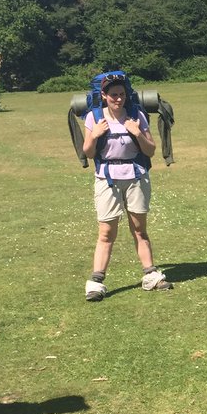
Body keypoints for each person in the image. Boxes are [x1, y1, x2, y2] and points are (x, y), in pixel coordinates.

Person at [82, 73, 173, 302]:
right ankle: (96, 282)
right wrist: (95, 135)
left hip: (136, 176)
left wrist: (137, 132)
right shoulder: (94, 118)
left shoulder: (137, 115)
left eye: (122, 94)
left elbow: (150, 150)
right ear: (104, 95)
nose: (118, 99)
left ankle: (150, 275)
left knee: (139, 229)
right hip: (107, 178)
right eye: (113, 95)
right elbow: (88, 152)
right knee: (106, 232)